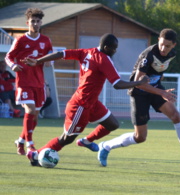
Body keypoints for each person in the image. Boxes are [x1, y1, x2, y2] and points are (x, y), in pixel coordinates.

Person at [78, 29, 180, 170]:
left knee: (176, 116)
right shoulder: (148, 55)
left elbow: (159, 70)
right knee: (140, 137)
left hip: (156, 89)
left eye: (168, 46)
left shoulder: (172, 55)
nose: (164, 49)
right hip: (139, 92)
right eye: (162, 44)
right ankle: (106, 146)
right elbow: (139, 82)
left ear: (174, 45)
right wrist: (161, 92)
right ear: (158, 40)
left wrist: (159, 85)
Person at [23, 33, 149, 166]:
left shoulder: (85, 52)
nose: (115, 51)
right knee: (66, 139)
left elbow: (61, 54)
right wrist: (139, 82)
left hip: (92, 103)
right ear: (106, 47)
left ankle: (86, 141)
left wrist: (38, 61)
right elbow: (117, 84)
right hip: (80, 105)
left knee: (112, 124)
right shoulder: (104, 60)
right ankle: (36, 154)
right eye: (113, 48)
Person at [5, 8, 53, 155]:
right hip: (24, 82)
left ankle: (20, 140)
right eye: (33, 21)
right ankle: (29, 144)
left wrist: (50, 60)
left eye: (38, 21)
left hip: (39, 83)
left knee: (35, 117)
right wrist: (13, 65)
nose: (35, 23)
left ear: (41, 23)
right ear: (27, 23)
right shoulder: (20, 40)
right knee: (31, 110)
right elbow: (8, 57)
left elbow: (51, 55)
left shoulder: (45, 41)